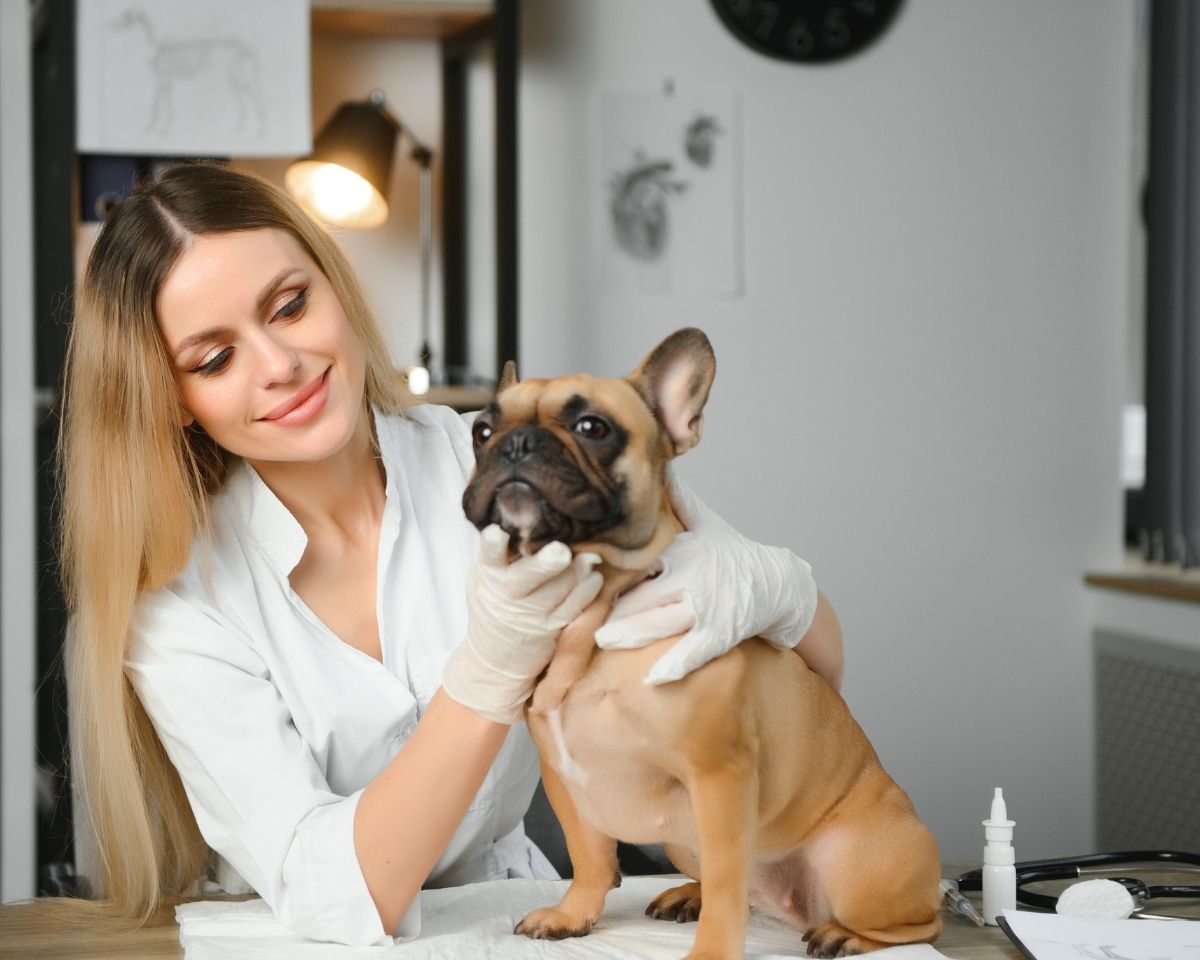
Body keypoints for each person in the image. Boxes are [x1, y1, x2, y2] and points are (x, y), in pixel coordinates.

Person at [57, 162, 843, 946]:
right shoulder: (176, 604)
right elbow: (329, 894)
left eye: (290, 306)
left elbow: (812, 674)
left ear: (335, 286)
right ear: (172, 400)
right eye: (213, 360)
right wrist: (488, 673)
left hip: (525, 917)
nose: (279, 366)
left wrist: (772, 586)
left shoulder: (501, 464)